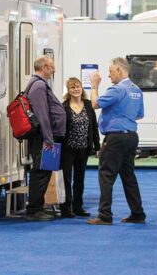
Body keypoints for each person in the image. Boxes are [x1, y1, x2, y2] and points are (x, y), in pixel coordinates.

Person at [87, 58, 147, 225]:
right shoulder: (137, 90)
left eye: (111, 71)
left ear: (120, 71)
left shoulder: (117, 90)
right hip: (131, 136)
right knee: (128, 175)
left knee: (106, 175)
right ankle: (137, 212)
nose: (109, 75)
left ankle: (104, 215)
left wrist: (94, 86)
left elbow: (94, 104)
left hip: (116, 137)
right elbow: (140, 115)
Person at [25, 56, 67, 222]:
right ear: (43, 67)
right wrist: (49, 138)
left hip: (44, 136)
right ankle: (34, 209)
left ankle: (37, 207)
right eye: (51, 67)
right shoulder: (39, 85)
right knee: (41, 173)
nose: (54, 70)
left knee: (43, 171)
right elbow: (42, 113)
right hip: (44, 137)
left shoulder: (37, 84)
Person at [60, 77, 100, 218]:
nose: (76, 89)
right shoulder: (64, 106)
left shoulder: (89, 105)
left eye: (78, 86)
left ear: (82, 88)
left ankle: (78, 207)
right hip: (67, 149)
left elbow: (94, 127)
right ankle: (65, 208)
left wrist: (97, 146)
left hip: (83, 149)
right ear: (69, 90)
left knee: (79, 179)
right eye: (72, 87)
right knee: (66, 179)